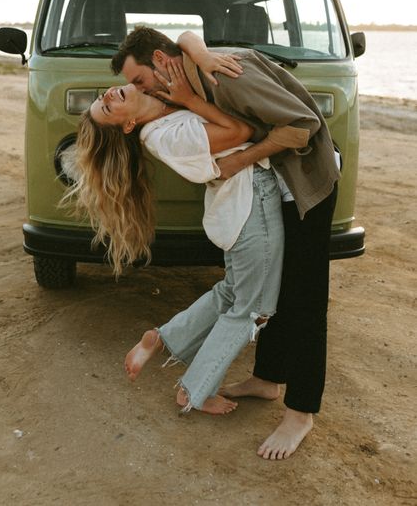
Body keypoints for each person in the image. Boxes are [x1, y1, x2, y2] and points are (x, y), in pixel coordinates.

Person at [111, 25, 340, 460]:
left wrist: (238, 161)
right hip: (277, 186)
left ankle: (300, 415)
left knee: (304, 302)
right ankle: (268, 379)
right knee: (274, 290)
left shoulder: (225, 75)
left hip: (306, 184)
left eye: (138, 81)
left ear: (161, 62)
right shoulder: (192, 78)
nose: (137, 90)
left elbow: (303, 127)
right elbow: (187, 37)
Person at [69, 62, 285, 416]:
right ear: (126, 124)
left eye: (101, 97)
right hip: (250, 202)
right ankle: (195, 391)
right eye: (107, 107)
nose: (107, 94)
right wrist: (189, 98)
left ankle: (162, 338)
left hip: (239, 204)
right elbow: (244, 129)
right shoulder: (167, 135)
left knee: (233, 292)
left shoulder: (163, 112)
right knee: (253, 310)